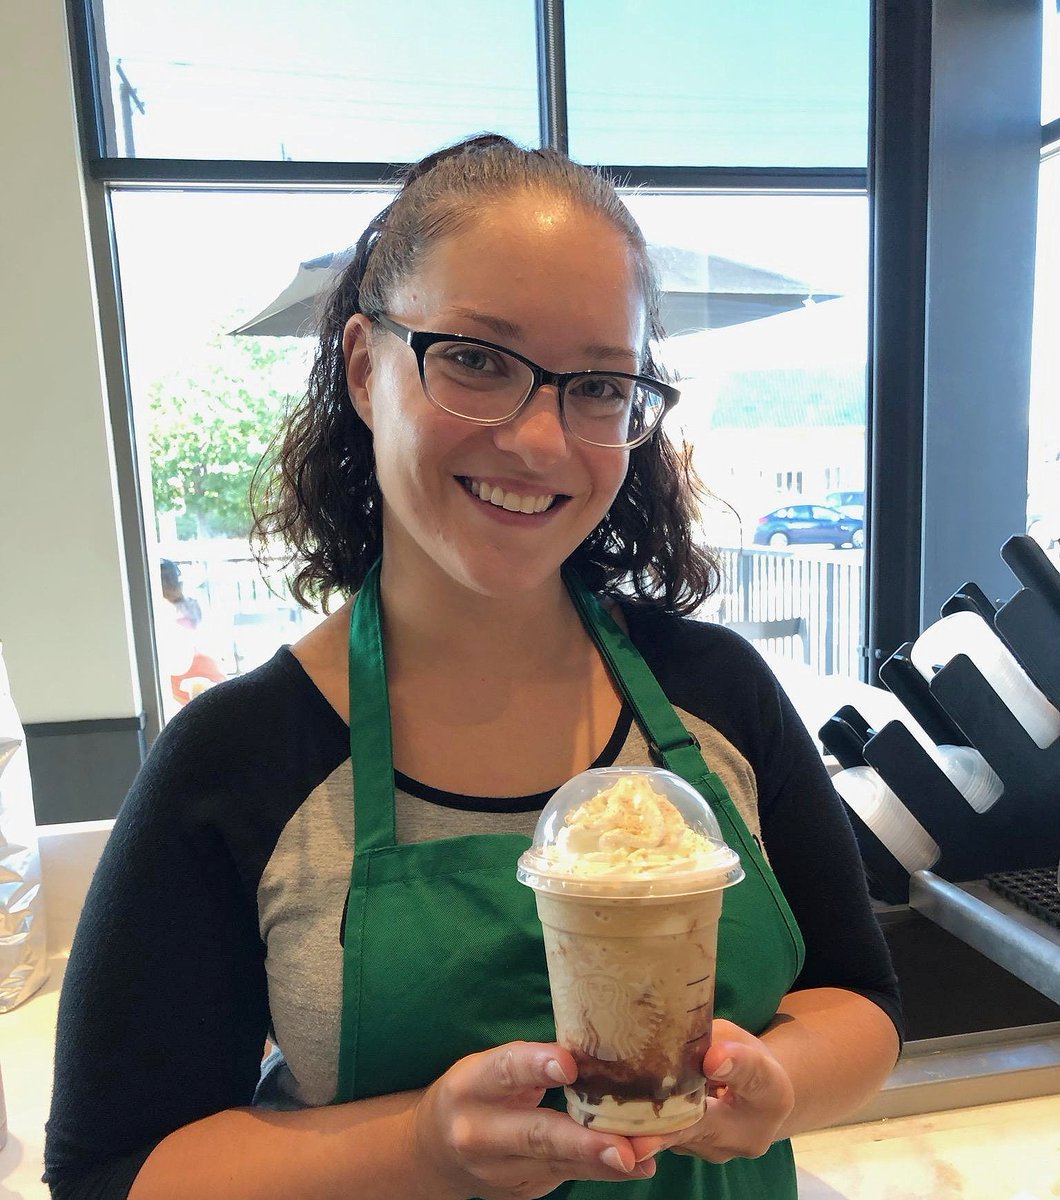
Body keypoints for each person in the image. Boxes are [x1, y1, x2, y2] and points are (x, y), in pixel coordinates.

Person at [45, 134, 902, 1200]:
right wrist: (421, 1149)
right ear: (365, 367)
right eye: (477, 360)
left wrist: (780, 1079)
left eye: (597, 385)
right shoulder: (239, 761)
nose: (539, 440)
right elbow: (112, 1170)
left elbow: (857, 1003)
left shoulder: (717, 694)